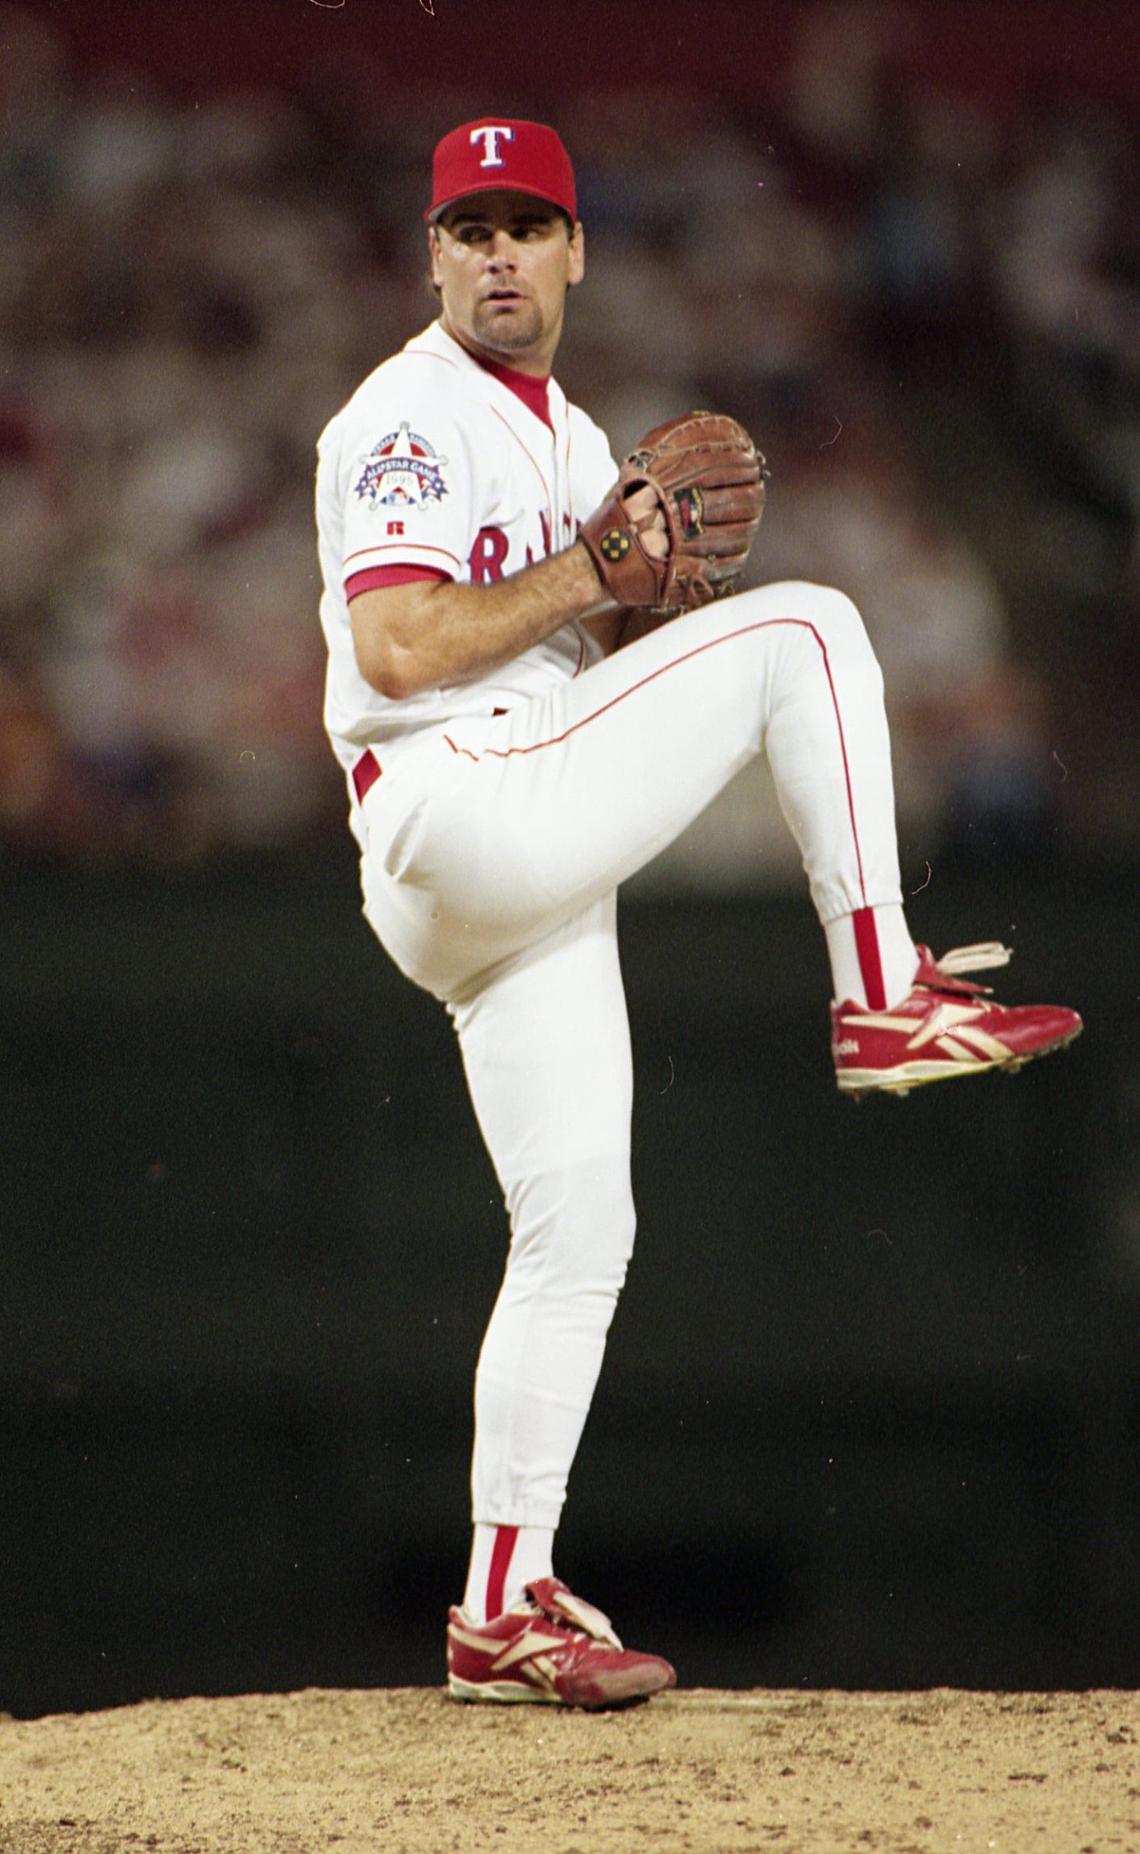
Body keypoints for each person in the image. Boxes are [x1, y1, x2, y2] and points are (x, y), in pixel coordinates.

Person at [313, 118, 1082, 1709]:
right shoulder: (406, 416)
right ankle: (884, 990)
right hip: (457, 796)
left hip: (512, 853)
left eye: (531, 226)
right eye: (473, 229)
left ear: (578, 252)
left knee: (582, 1222)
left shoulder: (574, 430)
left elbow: (599, 642)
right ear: (433, 255)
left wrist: (645, 592)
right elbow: (395, 649)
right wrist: (603, 573)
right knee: (816, 629)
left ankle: (499, 1596)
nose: (502, 254)